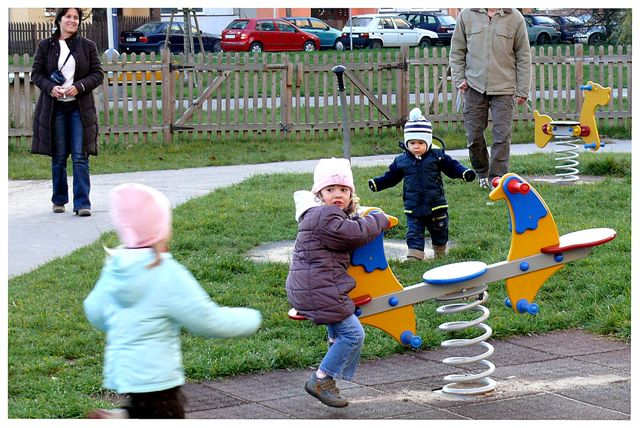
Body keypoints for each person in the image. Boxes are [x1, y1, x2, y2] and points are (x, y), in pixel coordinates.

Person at [84, 183, 262, 418]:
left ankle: (123, 417)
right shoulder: (165, 272)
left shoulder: (115, 268)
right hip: (158, 376)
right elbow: (206, 319)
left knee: (143, 409)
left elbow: (94, 311)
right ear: (160, 230)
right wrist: (251, 318)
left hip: (124, 374)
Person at [286, 158, 390, 408]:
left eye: (343, 190)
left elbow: (345, 228)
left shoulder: (318, 215)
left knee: (340, 332)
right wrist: (379, 219)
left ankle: (330, 376)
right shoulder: (324, 214)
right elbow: (354, 233)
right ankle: (322, 379)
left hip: (314, 287)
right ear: (319, 194)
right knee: (353, 334)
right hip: (319, 289)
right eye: (330, 190)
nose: (337, 195)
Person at [368, 107, 476, 260]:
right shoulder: (401, 161)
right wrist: (378, 183)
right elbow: (391, 177)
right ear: (406, 143)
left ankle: (440, 251)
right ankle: (415, 255)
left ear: (429, 141)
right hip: (413, 206)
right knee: (414, 231)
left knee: (439, 230)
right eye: (412, 143)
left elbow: (453, 167)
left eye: (420, 142)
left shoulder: (437, 157)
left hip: (436, 205)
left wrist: (464, 173)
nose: (416, 146)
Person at [31, 8, 103, 216]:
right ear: (59, 20)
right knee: (59, 155)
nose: (72, 21)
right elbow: (36, 74)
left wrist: (78, 87)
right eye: (68, 17)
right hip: (56, 108)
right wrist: (50, 88)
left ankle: (82, 204)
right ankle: (59, 199)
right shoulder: (45, 46)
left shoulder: (87, 46)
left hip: (79, 108)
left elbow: (97, 74)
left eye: (76, 18)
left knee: (80, 155)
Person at [449, 8, 531, 189]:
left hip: (504, 87)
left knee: (502, 136)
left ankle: (498, 179)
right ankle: (482, 172)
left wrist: (523, 89)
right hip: (473, 86)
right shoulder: (466, 15)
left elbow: (524, 56)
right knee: (474, 136)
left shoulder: (515, 17)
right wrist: (459, 78)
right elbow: (457, 51)